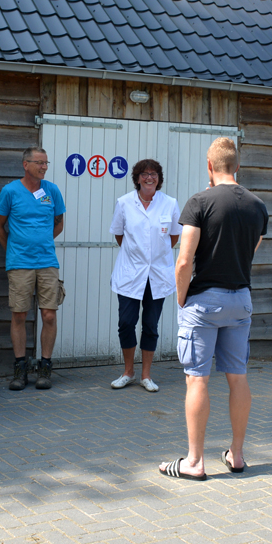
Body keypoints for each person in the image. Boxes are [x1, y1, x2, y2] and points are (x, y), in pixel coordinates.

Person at [159, 138, 267, 481]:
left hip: (204, 301)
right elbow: (251, 251)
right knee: (238, 377)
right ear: (237, 166)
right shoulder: (258, 206)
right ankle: (236, 455)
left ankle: (195, 461)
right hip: (241, 300)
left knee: (197, 379)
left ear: (209, 166)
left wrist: (181, 297)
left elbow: (183, 261)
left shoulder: (199, 202)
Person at [0, 146, 65, 390]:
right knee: (19, 315)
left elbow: (59, 223)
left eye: (46, 163)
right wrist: (13, 248)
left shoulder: (51, 191)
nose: (44, 167)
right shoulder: (10, 191)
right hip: (19, 263)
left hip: (47, 262)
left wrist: (41, 241)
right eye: (39, 163)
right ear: (26, 164)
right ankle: (20, 369)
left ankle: (44, 367)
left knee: (49, 315)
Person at [108, 159, 181, 393]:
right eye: (144, 174)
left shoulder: (169, 203)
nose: (150, 178)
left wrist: (155, 256)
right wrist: (136, 254)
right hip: (130, 273)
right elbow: (119, 235)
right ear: (137, 178)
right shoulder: (124, 203)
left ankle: (146, 376)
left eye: (154, 174)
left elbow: (173, 236)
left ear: (159, 179)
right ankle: (128, 372)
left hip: (157, 275)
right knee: (126, 323)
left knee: (150, 325)